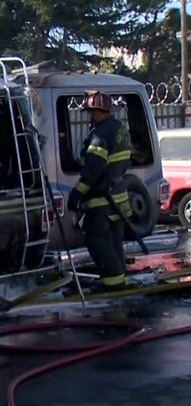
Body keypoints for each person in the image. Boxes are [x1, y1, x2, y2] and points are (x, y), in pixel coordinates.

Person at [66, 90, 133, 291]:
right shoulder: (119, 129)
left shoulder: (99, 135)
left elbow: (93, 170)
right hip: (119, 198)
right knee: (114, 243)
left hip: (101, 202)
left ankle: (112, 285)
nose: (89, 116)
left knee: (98, 243)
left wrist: (76, 194)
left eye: (90, 112)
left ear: (98, 111)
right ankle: (120, 280)